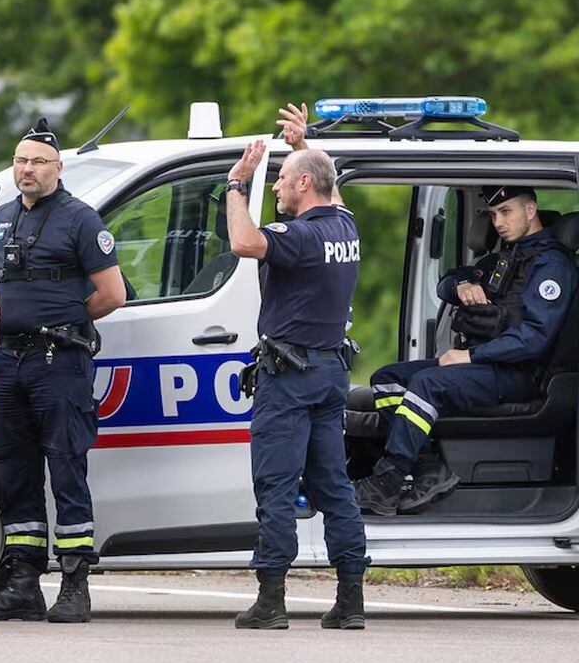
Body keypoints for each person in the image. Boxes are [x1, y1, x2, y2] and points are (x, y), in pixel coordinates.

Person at [0, 118, 126, 625]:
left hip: (60, 362)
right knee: (15, 472)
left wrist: (63, 322)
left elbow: (112, 294)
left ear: (58, 168)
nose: (26, 169)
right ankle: (23, 585)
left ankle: (75, 585)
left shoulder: (81, 220)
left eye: (37, 161)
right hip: (10, 361)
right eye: (20, 160)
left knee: (66, 469)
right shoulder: (1, 218)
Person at [355, 186, 577, 515]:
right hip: (487, 368)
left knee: (427, 383)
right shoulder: (506, 257)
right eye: (493, 214)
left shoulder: (551, 266)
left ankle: (388, 480)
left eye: (506, 212)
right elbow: (446, 281)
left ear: (531, 210)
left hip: (518, 375)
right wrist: (463, 286)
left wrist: (470, 356)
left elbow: (534, 338)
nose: (498, 222)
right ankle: (429, 470)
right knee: (387, 378)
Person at [226, 131, 369, 631]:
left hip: (288, 378)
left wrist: (236, 184)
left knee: (277, 487)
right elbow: (331, 191)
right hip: (330, 372)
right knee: (334, 486)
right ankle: (351, 600)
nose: (278, 188)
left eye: (284, 179)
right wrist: (303, 145)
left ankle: (271, 600)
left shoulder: (300, 236)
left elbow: (243, 241)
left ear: (305, 184)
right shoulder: (344, 228)